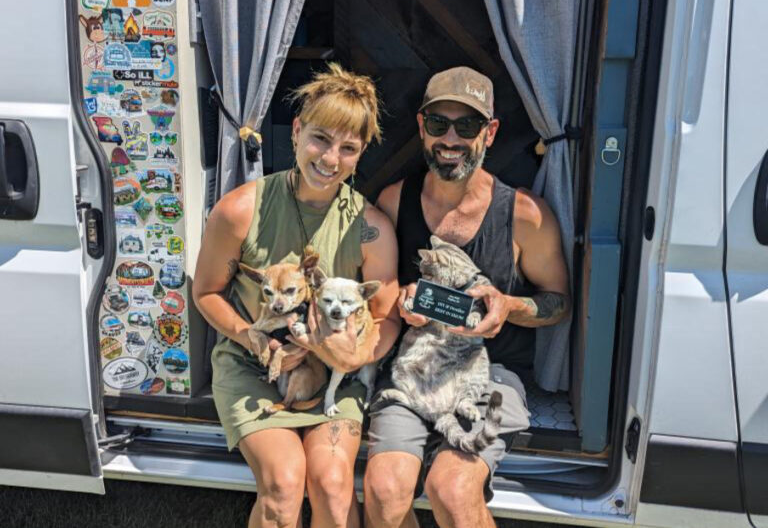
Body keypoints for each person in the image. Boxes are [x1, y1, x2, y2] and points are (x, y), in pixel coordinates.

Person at [193, 63, 400, 528]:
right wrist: (250, 337)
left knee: (330, 485)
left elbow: (386, 314)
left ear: (361, 153)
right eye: (321, 139)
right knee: (284, 485)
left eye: (348, 148)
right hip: (251, 366)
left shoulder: (371, 227)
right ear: (297, 131)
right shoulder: (240, 210)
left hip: (332, 374)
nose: (330, 159)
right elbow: (205, 292)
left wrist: (354, 354)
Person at [363, 67, 570, 528]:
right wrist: (399, 304)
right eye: (439, 124)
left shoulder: (525, 215)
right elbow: (374, 286)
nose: (451, 138)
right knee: (383, 492)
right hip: (413, 373)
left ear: (490, 133)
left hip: (491, 376)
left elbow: (559, 302)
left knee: (453, 491)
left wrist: (509, 306)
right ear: (421, 127)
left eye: (468, 125)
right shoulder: (394, 201)